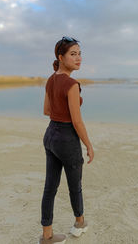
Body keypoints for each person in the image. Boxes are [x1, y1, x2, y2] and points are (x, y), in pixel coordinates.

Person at [38, 36, 94, 244]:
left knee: (49, 188)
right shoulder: (71, 84)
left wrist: (60, 111)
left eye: (79, 54)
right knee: (75, 185)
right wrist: (88, 144)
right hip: (66, 138)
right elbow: (77, 122)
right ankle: (79, 223)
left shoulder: (51, 79)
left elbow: (46, 110)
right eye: (73, 54)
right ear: (60, 57)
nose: (79, 58)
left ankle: (47, 236)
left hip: (50, 134)